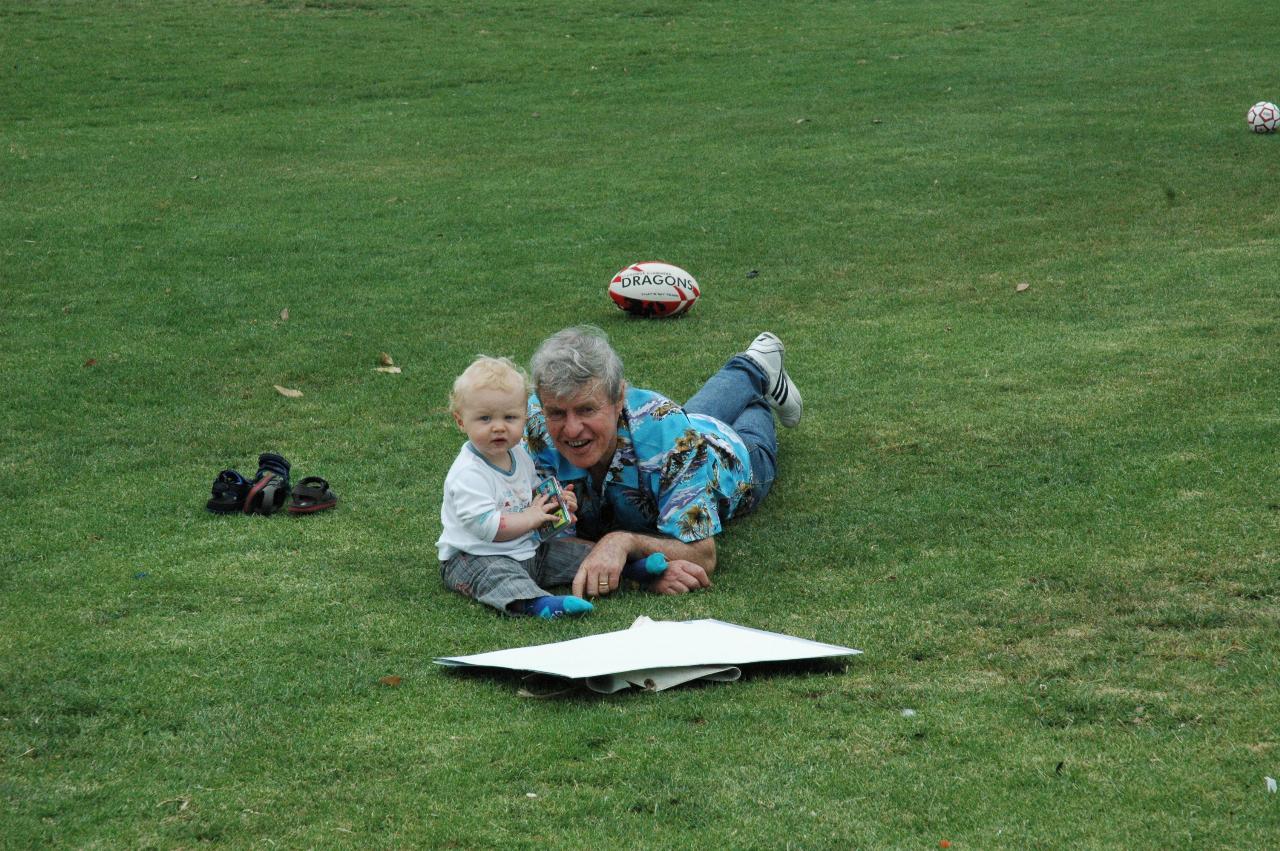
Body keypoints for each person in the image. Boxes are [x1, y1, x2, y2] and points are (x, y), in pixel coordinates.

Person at [525, 326, 802, 598]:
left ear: (619, 398)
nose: (571, 429)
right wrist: (638, 571)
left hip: (734, 454)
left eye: (586, 409)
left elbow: (703, 554)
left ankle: (759, 380)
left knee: (752, 409)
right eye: (558, 413)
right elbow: (538, 543)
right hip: (682, 427)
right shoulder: (534, 424)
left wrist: (624, 541)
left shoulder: (668, 435)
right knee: (684, 419)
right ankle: (753, 370)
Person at [436, 356, 595, 619]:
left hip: (529, 550)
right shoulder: (468, 473)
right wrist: (530, 518)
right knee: (499, 577)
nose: (499, 427)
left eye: (510, 417)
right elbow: (486, 527)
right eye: (485, 418)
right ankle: (537, 604)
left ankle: (631, 569)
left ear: (524, 416)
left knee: (582, 553)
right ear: (461, 421)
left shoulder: (519, 454)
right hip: (476, 557)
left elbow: (533, 495)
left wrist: (557, 502)